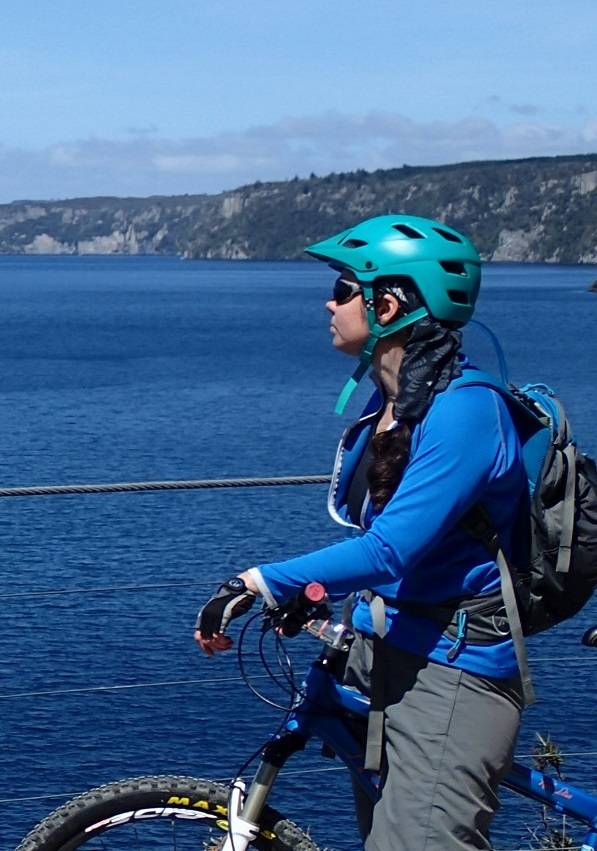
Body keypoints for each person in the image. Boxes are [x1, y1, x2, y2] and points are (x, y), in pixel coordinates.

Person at [192, 215, 528, 851]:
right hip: (387, 648)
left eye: (345, 288)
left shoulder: (465, 411)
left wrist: (257, 582)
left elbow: (390, 547)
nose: (329, 301)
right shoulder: (397, 402)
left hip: (451, 675)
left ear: (390, 302)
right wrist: (310, 595)